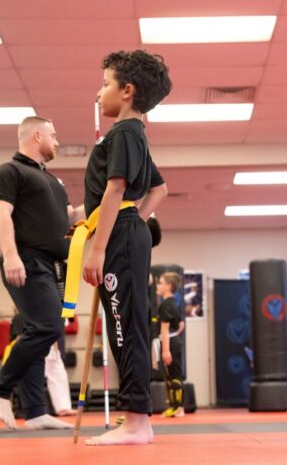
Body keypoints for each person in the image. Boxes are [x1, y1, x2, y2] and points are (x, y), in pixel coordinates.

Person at [81, 50, 171, 445]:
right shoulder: (135, 135)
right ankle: (137, 420)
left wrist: (99, 249)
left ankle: (137, 422)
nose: (99, 93)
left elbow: (116, 189)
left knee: (123, 325)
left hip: (118, 237)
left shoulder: (124, 133)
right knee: (124, 325)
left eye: (105, 84)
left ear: (127, 91)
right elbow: (159, 189)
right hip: (125, 231)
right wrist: (135, 220)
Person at [0, 116, 83, 431]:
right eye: (53, 136)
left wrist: (110, 200)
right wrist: (11, 256)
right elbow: (1, 213)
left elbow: (70, 218)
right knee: (47, 327)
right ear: (37, 135)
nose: (56, 142)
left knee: (39, 332)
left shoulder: (53, 182)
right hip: (26, 260)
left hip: (51, 266)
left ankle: (36, 411)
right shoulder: (9, 172)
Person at [156, 272, 185, 417]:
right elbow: (181, 325)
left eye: (160, 282)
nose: (158, 285)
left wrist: (166, 350)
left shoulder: (166, 305)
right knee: (172, 374)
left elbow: (165, 329)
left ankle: (178, 407)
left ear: (168, 286)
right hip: (174, 341)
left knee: (174, 374)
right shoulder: (173, 303)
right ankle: (174, 406)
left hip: (170, 343)